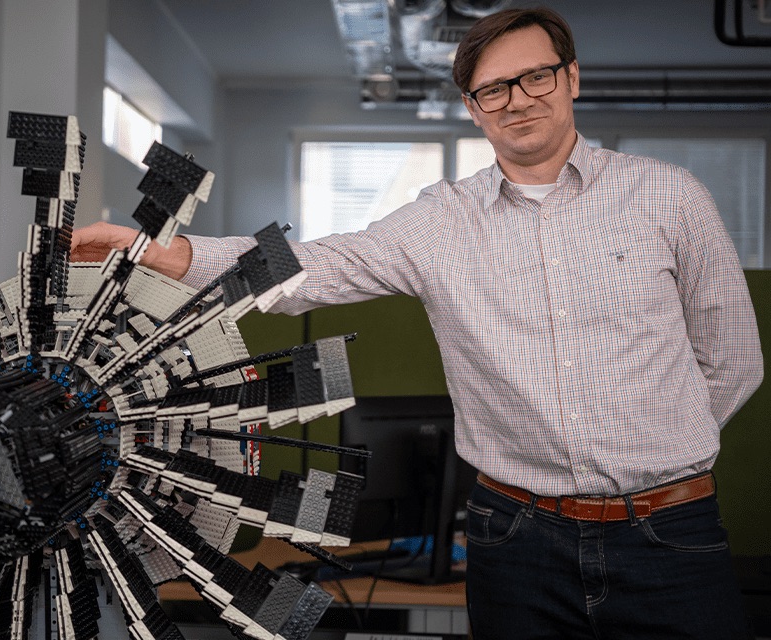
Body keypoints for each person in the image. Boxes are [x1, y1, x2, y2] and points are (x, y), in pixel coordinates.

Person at [72, 7, 762, 639]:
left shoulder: (669, 196)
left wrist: (660, 454)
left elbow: (732, 359)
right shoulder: (440, 221)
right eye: (495, 88)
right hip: (514, 541)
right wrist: (169, 256)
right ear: (473, 108)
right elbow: (316, 264)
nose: (518, 99)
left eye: (536, 76)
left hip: (671, 530)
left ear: (572, 77)